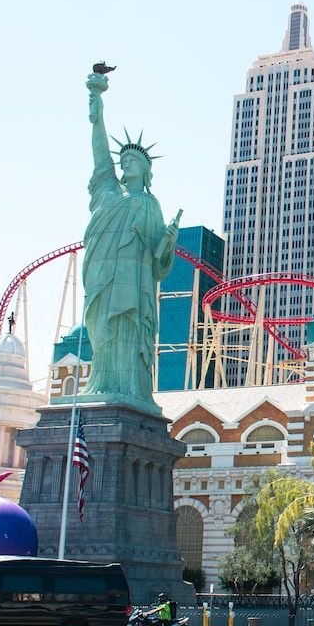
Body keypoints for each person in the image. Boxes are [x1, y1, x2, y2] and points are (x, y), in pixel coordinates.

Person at [82, 71, 179, 406]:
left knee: (127, 330)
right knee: (101, 331)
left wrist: (167, 242)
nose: (125, 163)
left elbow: (157, 263)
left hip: (133, 283)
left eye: (133, 160)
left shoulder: (150, 203)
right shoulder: (108, 187)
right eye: (123, 159)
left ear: (145, 169)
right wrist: (97, 104)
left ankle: (130, 389)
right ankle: (101, 383)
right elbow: (98, 149)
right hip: (101, 274)